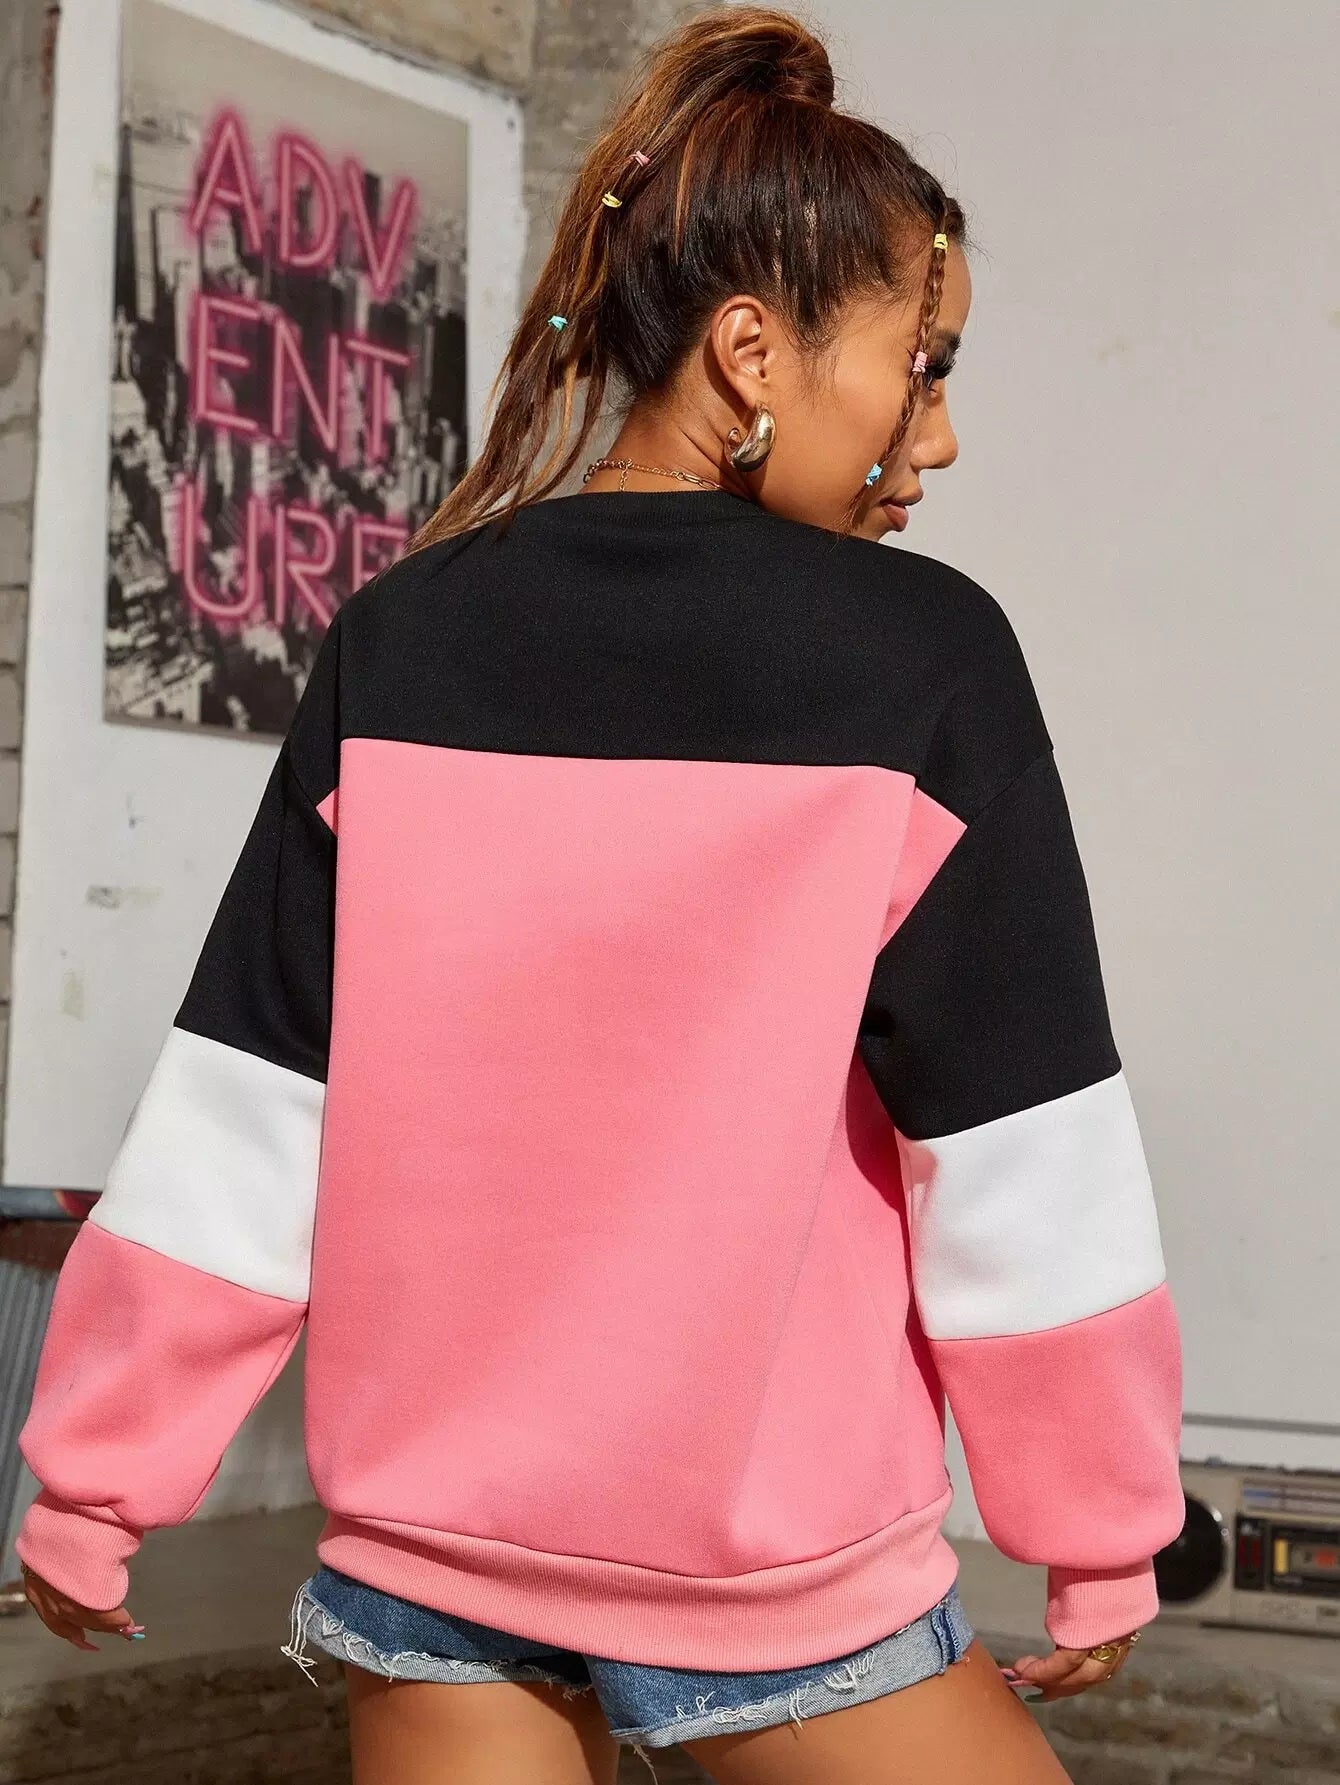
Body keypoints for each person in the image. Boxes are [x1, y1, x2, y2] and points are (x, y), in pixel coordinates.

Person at [16, 8, 1184, 1782]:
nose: (937, 438)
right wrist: (1094, 1522)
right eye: (923, 366)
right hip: (773, 1573)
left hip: (435, 1568)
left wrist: (98, 1479)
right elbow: (1019, 1135)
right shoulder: (925, 658)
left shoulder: (403, 637)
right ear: (752, 350)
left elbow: (251, 1097)